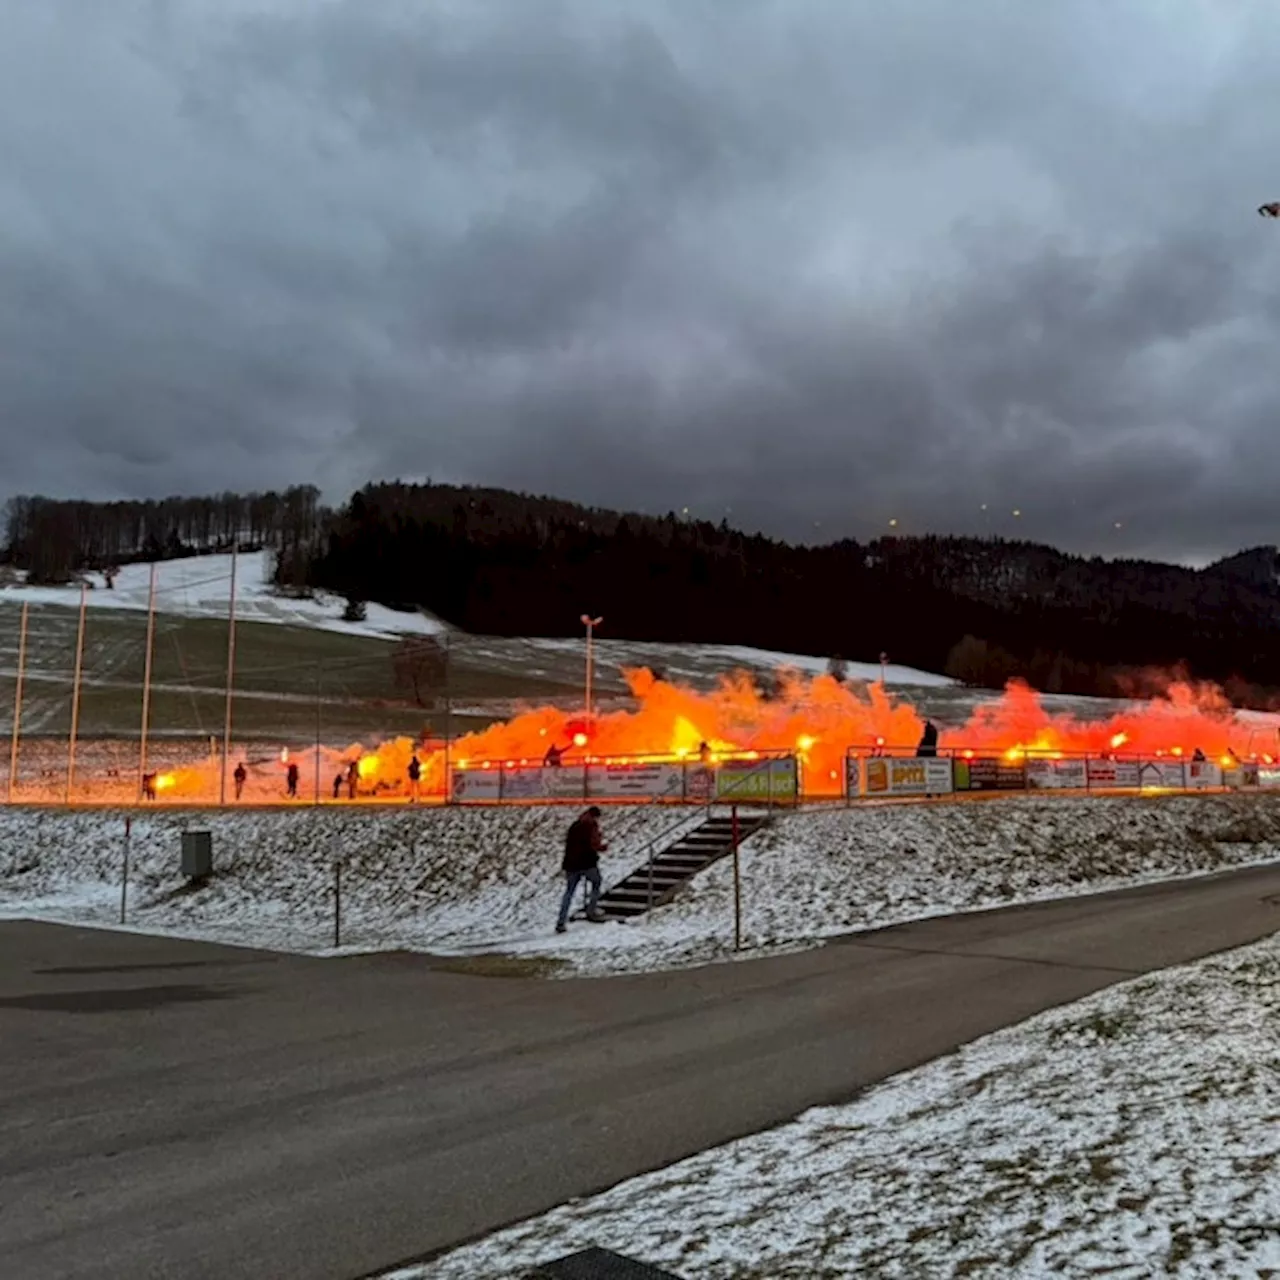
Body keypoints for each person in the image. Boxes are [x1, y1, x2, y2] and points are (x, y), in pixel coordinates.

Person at [556, 805, 608, 934]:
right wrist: (602, 846)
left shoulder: (575, 825)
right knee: (596, 882)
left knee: (569, 892)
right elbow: (593, 844)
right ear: (595, 816)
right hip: (587, 863)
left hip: (571, 864)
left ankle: (561, 922)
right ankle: (591, 910)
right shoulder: (591, 826)